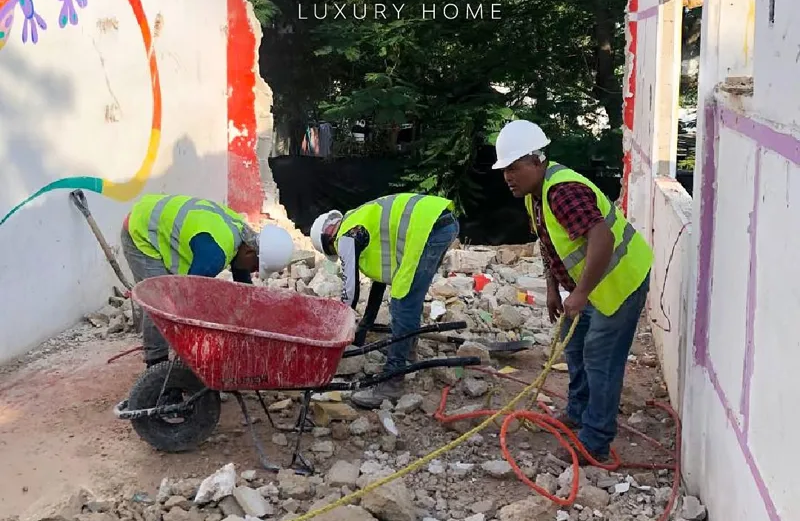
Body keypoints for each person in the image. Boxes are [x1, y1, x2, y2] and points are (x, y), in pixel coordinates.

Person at [493, 120, 653, 464]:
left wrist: (579, 293)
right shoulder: (534, 195)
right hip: (590, 286)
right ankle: (579, 412)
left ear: (537, 161)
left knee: (600, 357)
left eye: (514, 168)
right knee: (575, 343)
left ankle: (595, 440)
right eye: (504, 170)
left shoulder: (562, 191)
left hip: (620, 281)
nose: (508, 177)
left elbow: (603, 239)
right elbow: (549, 241)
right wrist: (554, 289)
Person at [310, 193, 459, 408]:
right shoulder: (362, 220)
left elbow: (350, 291)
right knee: (411, 296)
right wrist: (364, 326)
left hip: (428, 228)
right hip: (442, 222)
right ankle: (407, 353)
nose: (339, 255)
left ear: (328, 239)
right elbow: (378, 284)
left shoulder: (346, 236)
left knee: (402, 301)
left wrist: (340, 331)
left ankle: (392, 381)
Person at [121, 193, 295, 367]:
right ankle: (156, 366)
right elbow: (187, 301)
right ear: (250, 252)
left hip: (156, 217)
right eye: (255, 267)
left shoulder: (242, 235)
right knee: (159, 300)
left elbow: (243, 286)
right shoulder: (214, 255)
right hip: (142, 229)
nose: (254, 272)